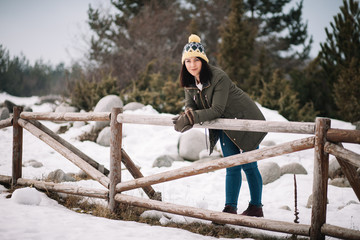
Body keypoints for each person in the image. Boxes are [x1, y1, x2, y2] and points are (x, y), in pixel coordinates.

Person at [172, 34, 267, 217]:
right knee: (231, 165)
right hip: (224, 124)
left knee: (249, 165)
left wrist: (191, 118)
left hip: (245, 121)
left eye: (196, 60)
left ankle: (256, 207)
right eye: (188, 61)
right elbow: (190, 105)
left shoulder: (218, 77)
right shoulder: (190, 82)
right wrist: (187, 115)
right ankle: (229, 209)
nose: (192, 65)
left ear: (203, 60)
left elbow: (217, 109)